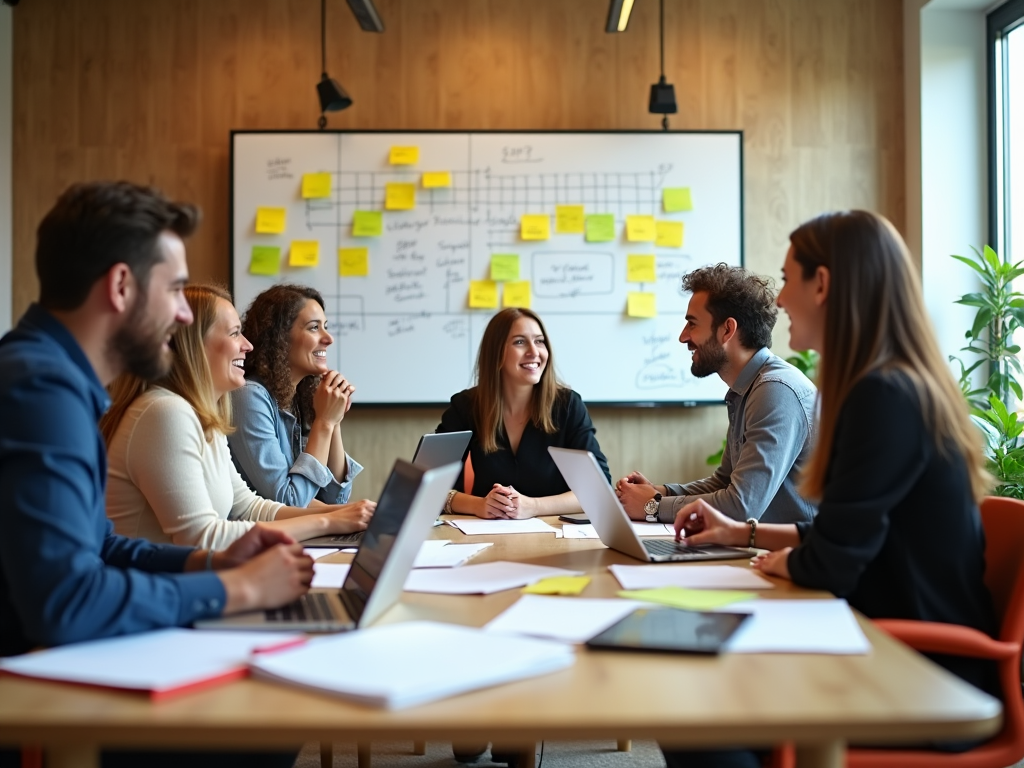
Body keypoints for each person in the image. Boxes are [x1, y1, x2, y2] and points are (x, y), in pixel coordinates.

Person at [664, 211, 999, 768]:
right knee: (700, 682)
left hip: (917, 668)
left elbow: (835, 559)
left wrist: (779, 558)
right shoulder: (887, 383)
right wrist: (746, 533)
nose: (782, 301)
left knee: (695, 708)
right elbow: (842, 532)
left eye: (789, 279)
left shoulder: (883, 396)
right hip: (879, 637)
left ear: (824, 284)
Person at [0, 181, 306, 768]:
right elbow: (67, 602)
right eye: (173, 290)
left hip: (58, 668)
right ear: (120, 287)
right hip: (46, 697)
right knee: (269, 723)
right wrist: (237, 590)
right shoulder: (43, 391)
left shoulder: (48, 375)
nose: (184, 313)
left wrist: (213, 564)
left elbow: (99, 546)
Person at [102, 284, 375, 549]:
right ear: (194, 345)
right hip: (155, 589)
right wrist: (327, 522)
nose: (247, 345)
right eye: (234, 334)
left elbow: (248, 507)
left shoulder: (205, 415)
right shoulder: (164, 413)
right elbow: (203, 538)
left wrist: (347, 514)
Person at [616, 264, 817, 526]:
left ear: (727, 330)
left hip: (796, 559)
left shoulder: (776, 391)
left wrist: (652, 506)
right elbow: (723, 482)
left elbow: (741, 506)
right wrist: (660, 492)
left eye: (692, 323)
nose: (683, 337)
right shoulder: (747, 389)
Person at [436, 307, 610, 519]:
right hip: (486, 536)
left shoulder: (567, 406)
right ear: (496, 352)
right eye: (520, 342)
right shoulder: (466, 406)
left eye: (539, 341)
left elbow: (599, 490)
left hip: (554, 537)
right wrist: (479, 505)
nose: (534, 352)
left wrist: (534, 506)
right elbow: (429, 487)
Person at [228, 284, 364, 508]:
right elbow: (289, 501)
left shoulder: (298, 397)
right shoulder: (248, 397)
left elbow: (334, 497)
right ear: (279, 338)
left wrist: (333, 420)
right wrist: (325, 422)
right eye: (314, 328)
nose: (328, 338)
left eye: (325, 327)